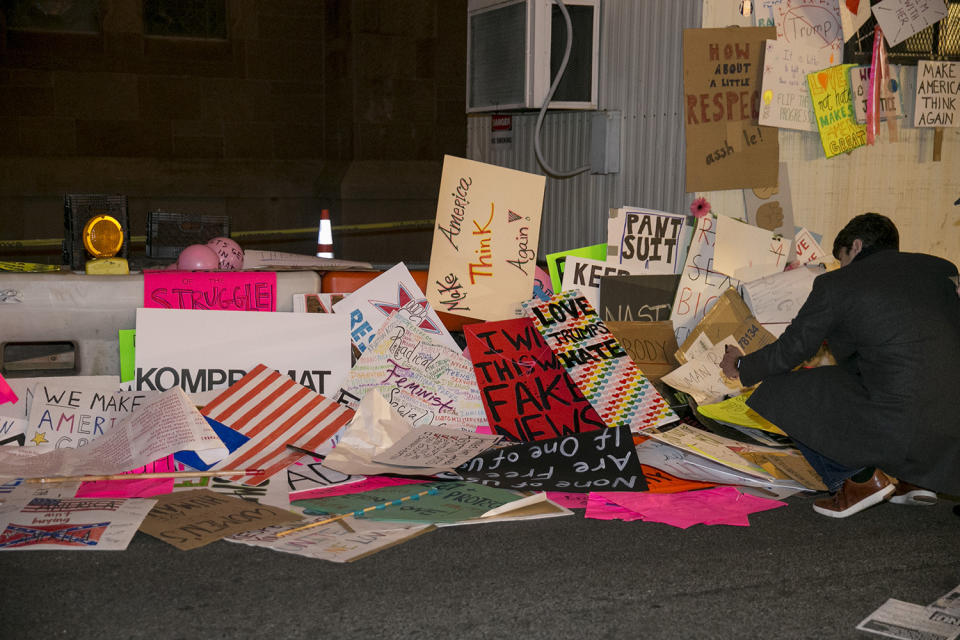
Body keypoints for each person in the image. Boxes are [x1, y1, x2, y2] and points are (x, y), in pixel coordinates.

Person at [720, 213, 960, 518]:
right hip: (951, 422)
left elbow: (792, 350)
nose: (841, 267)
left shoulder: (838, 284)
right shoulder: (942, 270)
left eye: (842, 258)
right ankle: (912, 482)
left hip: (900, 423)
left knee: (783, 389)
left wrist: (742, 364)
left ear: (856, 246)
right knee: (896, 379)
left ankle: (859, 481)